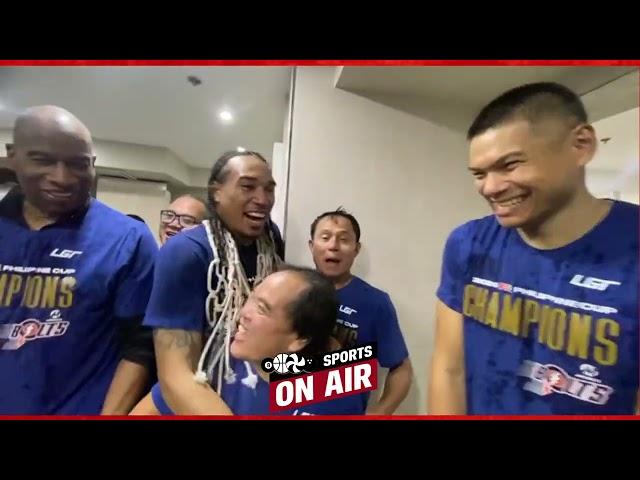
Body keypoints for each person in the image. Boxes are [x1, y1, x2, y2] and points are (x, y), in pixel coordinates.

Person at [429, 82, 639, 415]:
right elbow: (448, 368)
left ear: (580, 145)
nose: (491, 187)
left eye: (510, 165)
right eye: (479, 173)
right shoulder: (467, 244)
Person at [0, 105, 157, 414]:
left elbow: (142, 346)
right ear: (12, 155)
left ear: (93, 165)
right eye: (42, 160)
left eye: (78, 164)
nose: (62, 177)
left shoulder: (129, 239)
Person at [142, 150, 285, 414]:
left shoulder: (270, 239)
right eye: (248, 186)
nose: (263, 199)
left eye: (269, 189)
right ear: (216, 191)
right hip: (198, 395)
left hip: (250, 388)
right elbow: (177, 376)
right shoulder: (185, 252)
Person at [131, 267, 363, 415]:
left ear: (298, 340)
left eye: (262, 309)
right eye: (251, 297)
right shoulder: (217, 364)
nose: (244, 313)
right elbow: (150, 408)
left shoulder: (335, 392)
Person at [309, 208, 412, 415]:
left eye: (344, 239)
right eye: (325, 237)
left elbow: (401, 368)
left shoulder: (375, 302)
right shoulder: (289, 291)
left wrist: (381, 412)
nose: (333, 246)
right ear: (311, 246)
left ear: (356, 249)